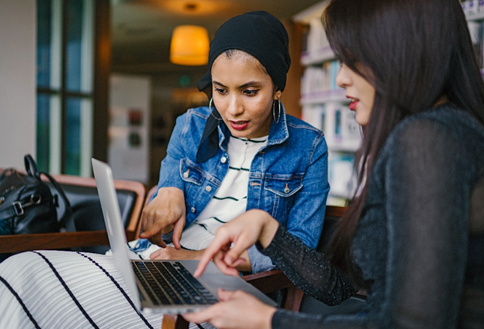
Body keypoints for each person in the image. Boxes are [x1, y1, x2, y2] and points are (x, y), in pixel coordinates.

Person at [0, 11, 329, 328]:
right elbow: (166, 191)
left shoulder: (309, 147)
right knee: (19, 270)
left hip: (225, 284)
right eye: (220, 90)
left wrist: (199, 257)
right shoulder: (191, 125)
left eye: (250, 91)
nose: (233, 108)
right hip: (154, 259)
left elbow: (297, 251)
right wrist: (167, 190)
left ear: (278, 89)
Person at [183, 0, 484, 328]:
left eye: (352, 60)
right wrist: (267, 229)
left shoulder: (427, 139)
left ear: (402, 51)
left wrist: (267, 321)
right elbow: (338, 287)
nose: (340, 78)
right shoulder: (446, 130)